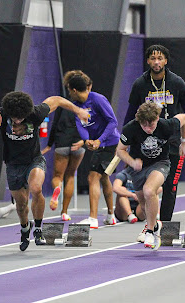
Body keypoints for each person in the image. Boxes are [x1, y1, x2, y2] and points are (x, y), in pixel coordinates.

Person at [0, 91, 89, 251]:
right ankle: (25, 228)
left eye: (21, 118)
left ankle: (38, 229)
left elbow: (57, 100)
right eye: (15, 118)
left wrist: (78, 111)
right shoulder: (1, 114)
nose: (18, 121)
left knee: (36, 188)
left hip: (34, 159)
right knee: (21, 204)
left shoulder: (36, 113)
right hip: (13, 164)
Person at [123, 44, 185, 223]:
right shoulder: (140, 84)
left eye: (160, 58)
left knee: (170, 186)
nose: (156, 62)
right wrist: (126, 142)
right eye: (153, 58)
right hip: (146, 142)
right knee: (144, 189)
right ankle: (151, 225)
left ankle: (166, 224)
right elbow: (130, 114)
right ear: (147, 61)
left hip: (172, 140)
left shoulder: (176, 82)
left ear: (166, 61)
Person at [118, 102, 185, 250]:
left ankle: (150, 231)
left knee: (149, 190)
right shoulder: (131, 128)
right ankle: (155, 224)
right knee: (144, 205)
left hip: (160, 163)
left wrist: (183, 141)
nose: (149, 129)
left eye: (152, 125)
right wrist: (132, 162)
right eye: (145, 126)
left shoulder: (166, 125)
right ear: (139, 122)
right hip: (138, 168)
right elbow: (120, 150)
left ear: (157, 118)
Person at [64, 70, 121, 229]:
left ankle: (93, 218)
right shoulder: (76, 106)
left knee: (92, 177)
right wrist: (86, 139)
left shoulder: (97, 99)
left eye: (69, 90)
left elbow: (113, 122)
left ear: (74, 90)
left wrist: (99, 140)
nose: (69, 93)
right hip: (96, 143)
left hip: (110, 143)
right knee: (103, 178)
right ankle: (110, 215)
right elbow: (79, 124)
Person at [41, 107, 85, 221]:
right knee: (70, 175)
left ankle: (57, 187)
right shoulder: (86, 105)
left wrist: (49, 145)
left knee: (57, 176)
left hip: (62, 142)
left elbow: (54, 124)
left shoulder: (62, 105)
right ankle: (64, 212)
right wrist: (84, 140)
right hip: (78, 143)